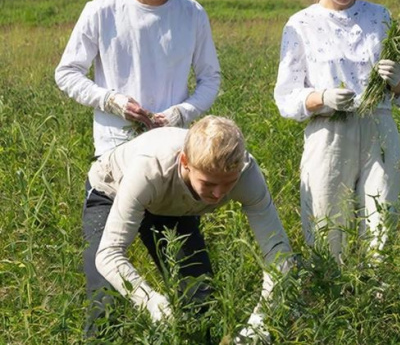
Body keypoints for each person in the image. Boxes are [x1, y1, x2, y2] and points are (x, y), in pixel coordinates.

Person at [273, 0, 400, 262]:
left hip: (378, 130)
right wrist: (320, 97)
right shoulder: (301, 24)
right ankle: (331, 296)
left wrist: (397, 82)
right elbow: (286, 97)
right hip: (329, 133)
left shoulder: (380, 17)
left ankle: (374, 297)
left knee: (380, 222)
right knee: (326, 225)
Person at [83, 115, 294, 340]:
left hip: (173, 205)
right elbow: (108, 254)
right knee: (105, 298)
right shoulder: (150, 169)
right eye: (209, 183)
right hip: (112, 189)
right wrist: (151, 301)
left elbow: (279, 253)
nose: (218, 194)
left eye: (228, 183)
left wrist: (261, 319)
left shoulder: (245, 173)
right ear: (185, 162)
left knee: (200, 297)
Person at [55, 0, 221, 157]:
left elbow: (210, 77)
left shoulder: (192, 13)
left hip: (173, 146)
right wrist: (111, 101)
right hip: (115, 146)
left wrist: (183, 112)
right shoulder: (102, 10)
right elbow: (67, 72)